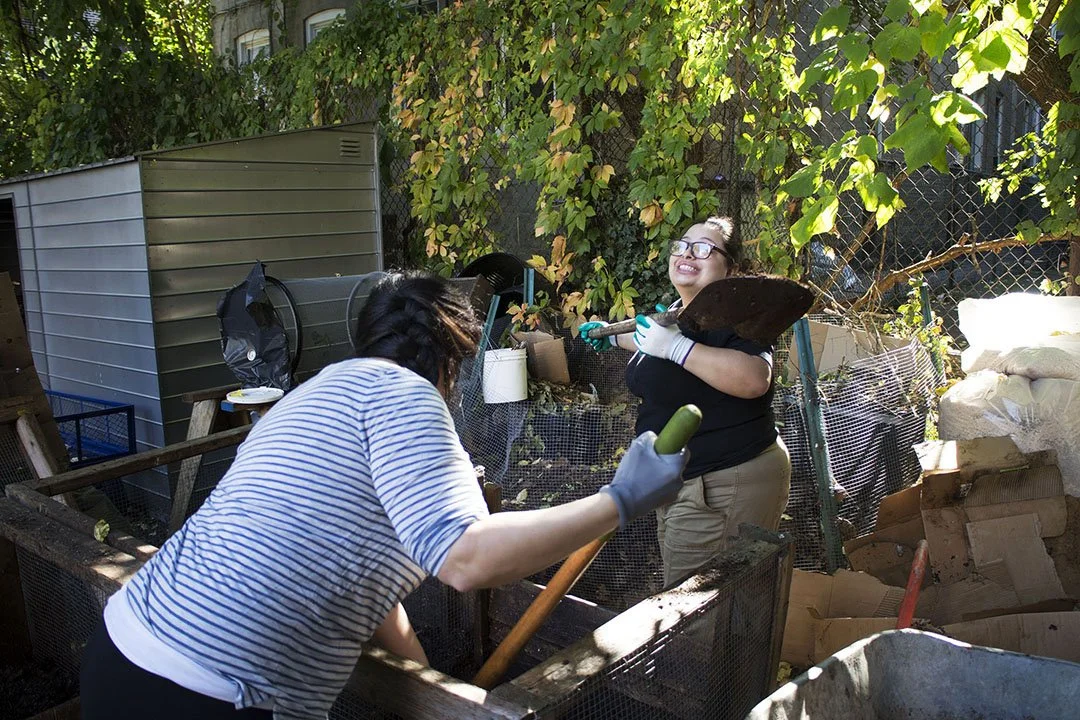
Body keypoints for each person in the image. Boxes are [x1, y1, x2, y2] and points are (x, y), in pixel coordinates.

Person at [80, 272, 688, 720]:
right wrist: (621, 499)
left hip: (124, 651)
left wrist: (429, 683)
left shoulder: (311, 394)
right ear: (452, 354)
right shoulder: (404, 394)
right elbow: (467, 559)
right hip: (212, 691)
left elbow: (364, 574)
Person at [579, 216, 791, 587]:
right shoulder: (680, 315)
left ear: (732, 268)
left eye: (704, 248)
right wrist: (614, 339)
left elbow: (755, 379)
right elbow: (660, 349)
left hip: (724, 482)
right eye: (682, 245)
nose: (687, 253)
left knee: (696, 611)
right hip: (683, 481)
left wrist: (676, 347)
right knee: (699, 601)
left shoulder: (739, 317)